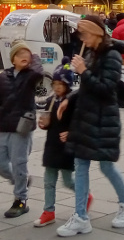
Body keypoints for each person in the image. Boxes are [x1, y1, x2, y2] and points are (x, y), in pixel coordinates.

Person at [56, 15, 124, 237]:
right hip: (86, 118)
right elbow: (86, 89)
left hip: (104, 120)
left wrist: (84, 71)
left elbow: (106, 89)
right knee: (81, 163)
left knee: (106, 166)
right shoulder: (92, 53)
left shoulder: (112, 55)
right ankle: (81, 217)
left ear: (95, 33)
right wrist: (69, 99)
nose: (82, 38)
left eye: (84, 34)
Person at [0, 40, 43, 218]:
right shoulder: (3, 76)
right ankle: (22, 180)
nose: (24, 57)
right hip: (5, 127)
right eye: (20, 55)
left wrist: (34, 60)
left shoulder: (31, 75)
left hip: (23, 128)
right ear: (13, 59)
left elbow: (40, 74)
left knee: (19, 163)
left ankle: (21, 200)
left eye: (27, 54)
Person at [34, 58, 88, 227]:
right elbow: (49, 120)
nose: (56, 87)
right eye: (54, 83)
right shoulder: (51, 100)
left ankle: (84, 195)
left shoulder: (72, 101)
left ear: (67, 84)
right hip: (51, 146)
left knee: (68, 181)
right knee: (49, 181)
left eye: (60, 84)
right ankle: (48, 211)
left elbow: (80, 122)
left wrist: (71, 133)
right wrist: (44, 124)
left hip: (65, 148)